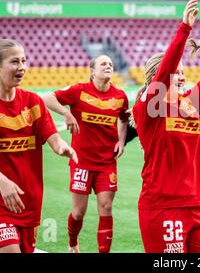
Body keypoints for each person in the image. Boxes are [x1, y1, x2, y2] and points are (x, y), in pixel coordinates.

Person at [131, 0, 200, 253]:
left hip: (196, 207)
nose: (181, 76)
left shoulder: (189, 103)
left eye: (183, 72)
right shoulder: (148, 108)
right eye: (176, 72)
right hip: (161, 208)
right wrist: (184, 29)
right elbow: (166, 68)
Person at [0, 39, 77, 253]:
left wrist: (62, 147)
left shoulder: (33, 102)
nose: (22, 67)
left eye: (24, 61)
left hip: (28, 201)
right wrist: (2, 182)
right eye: (15, 62)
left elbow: (52, 136)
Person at [43, 54, 129, 253]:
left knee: (106, 207)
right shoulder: (79, 91)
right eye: (103, 63)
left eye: (110, 63)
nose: (108, 66)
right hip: (81, 161)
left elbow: (124, 119)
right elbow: (47, 98)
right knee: (79, 212)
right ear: (92, 71)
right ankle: (73, 242)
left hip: (107, 162)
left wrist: (121, 141)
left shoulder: (120, 96)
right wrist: (66, 112)